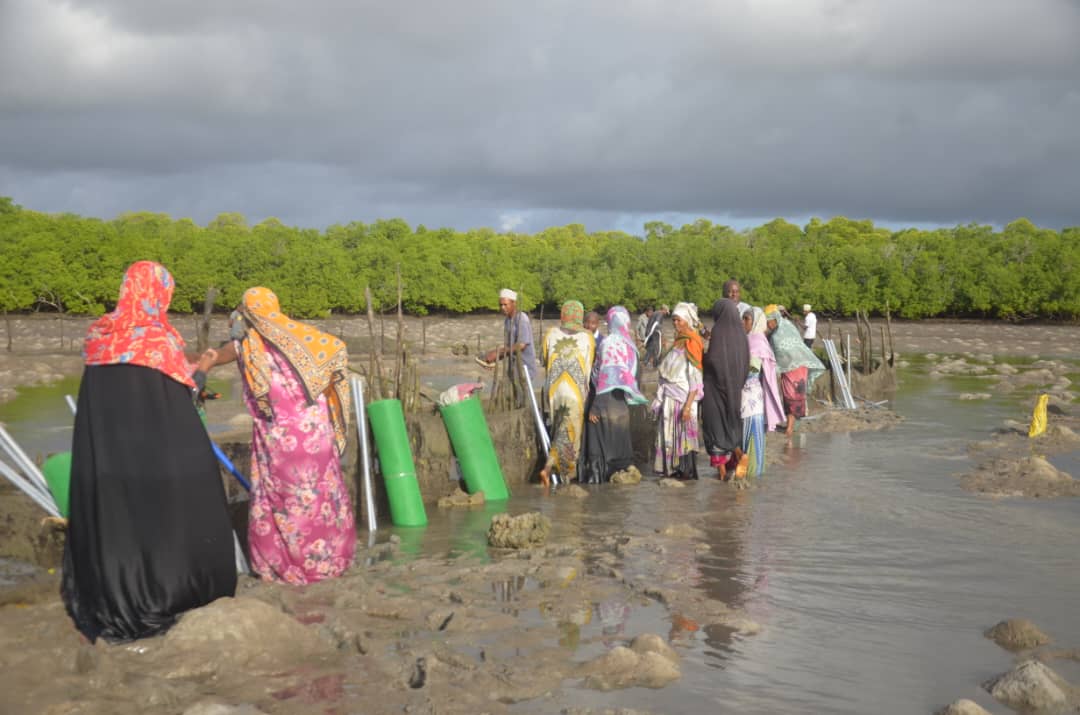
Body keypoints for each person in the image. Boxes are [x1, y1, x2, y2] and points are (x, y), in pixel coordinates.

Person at [62, 261, 236, 643]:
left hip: (109, 461)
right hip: (156, 459)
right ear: (160, 294)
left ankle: (115, 597)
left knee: (123, 524)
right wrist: (203, 368)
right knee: (175, 516)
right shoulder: (159, 341)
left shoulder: (99, 337)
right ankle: (173, 591)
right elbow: (182, 393)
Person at [210, 287, 356, 584]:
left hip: (279, 440)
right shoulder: (303, 339)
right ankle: (327, 563)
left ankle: (285, 566)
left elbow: (213, 357)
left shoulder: (248, 345)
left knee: (284, 501)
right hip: (316, 435)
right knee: (321, 497)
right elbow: (336, 350)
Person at [579, 306, 648, 483]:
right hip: (621, 407)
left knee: (599, 449)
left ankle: (597, 487)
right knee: (619, 451)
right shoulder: (630, 345)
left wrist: (595, 407)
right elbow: (635, 378)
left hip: (605, 403)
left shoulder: (610, 343)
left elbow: (607, 377)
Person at [539, 301, 595, 485]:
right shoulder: (587, 337)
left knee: (559, 428)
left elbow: (544, 359)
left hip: (554, 392)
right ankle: (564, 478)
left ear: (563, 315)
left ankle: (551, 469)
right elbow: (589, 364)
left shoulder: (550, 334)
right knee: (570, 434)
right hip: (574, 393)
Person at [651, 302, 704, 479]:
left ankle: (685, 472)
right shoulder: (678, 342)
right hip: (670, 397)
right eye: (673, 320)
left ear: (687, 320)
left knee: (684, 438)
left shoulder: (692, 343)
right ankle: (671, 470)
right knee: (670, 435)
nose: (675, 323)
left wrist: (688, 406)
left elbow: (695, 379)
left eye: (679, 320)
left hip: (684, 400)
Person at [701, 298, 750, 480]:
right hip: (734, 391)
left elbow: (713, 361)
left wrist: (703, 357)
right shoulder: (741, 335)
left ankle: (722, 475)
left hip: (715, 391)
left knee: (715, 430)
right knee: (731, 426)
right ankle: (740, 455)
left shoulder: (719, 332)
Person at [765, 304, 826, 436]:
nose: (768, 325)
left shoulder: (780, 333)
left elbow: (781, 351)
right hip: (794, 366)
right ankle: (792, 426)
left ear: (775, 319)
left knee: (792, 396)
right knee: (791, 396)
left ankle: (790, 428)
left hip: (796, 367)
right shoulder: (784, 327)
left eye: (768, 322)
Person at [741, 307, 786, 477]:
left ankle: (751, 477)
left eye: (746, 319)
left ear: (756, 322)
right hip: (745, 398)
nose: (743, 322)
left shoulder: (758, 343)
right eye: (743, 318)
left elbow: (752, 371)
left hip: (752, 399)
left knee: (751, 438)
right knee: (746, 438)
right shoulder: (747, 339)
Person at [478, 289, 538, 387]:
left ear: (514, 303)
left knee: (521, 397)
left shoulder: (521, 319)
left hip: (524, 369)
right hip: (513, 368)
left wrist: (498, 352)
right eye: (500, 305)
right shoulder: (507, 320)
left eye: (505, 304)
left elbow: (521, 345)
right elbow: (509, 348)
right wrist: (495, 358)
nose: (502, 307)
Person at [642, 304, 668, 368]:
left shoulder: (655, 313)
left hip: (650, 332)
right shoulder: (660, 314)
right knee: (657, 349)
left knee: (652, 349)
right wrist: (648, 336)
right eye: (666, 312)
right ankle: (654, 364)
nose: (666, 314)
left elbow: (650, 323)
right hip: (654, 333)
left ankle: (649, 363)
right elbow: (655, 324)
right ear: (664, 310)